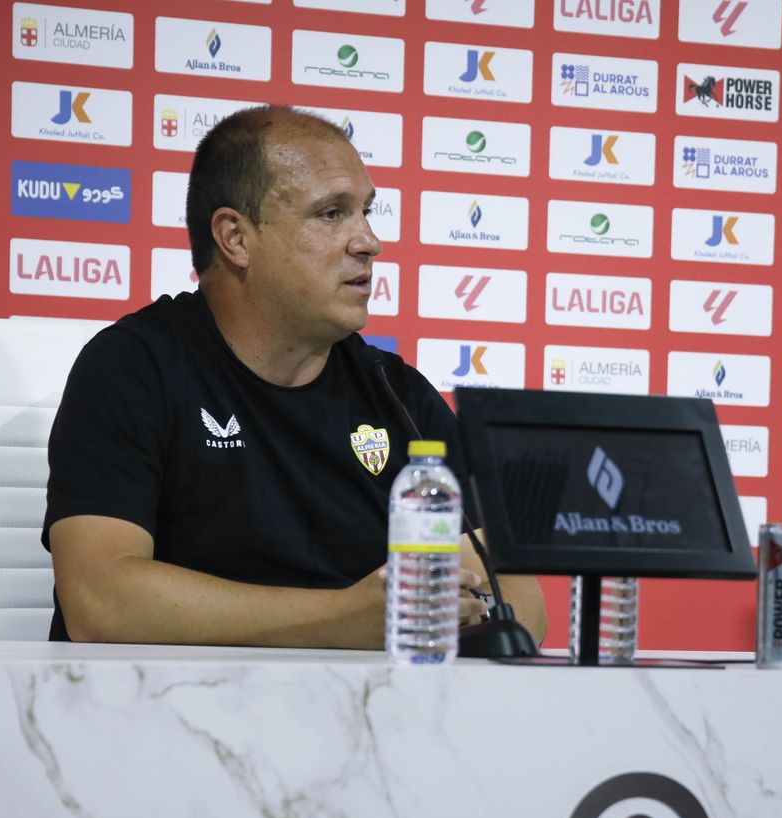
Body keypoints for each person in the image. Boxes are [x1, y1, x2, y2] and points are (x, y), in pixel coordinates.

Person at [41, 105, 547, 647]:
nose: (369, 242)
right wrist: (346, 619)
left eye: (366, 212)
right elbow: (100, 603)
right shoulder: (132, 367)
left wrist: (456, 613)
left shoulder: (395, 395)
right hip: (168, 718)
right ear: (235, 237)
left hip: (367, 720)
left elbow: (518, 600)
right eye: (332, 214)